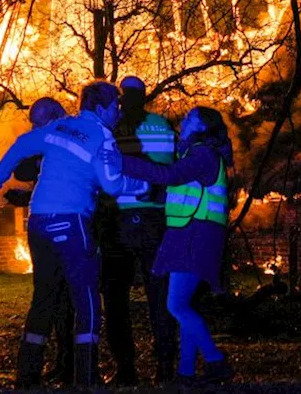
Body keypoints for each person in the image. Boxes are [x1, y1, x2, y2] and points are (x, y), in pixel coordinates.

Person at [0, 81, 150, 388]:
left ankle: (27, 376)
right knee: (86, 300)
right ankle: (85, 378)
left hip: (38, 221)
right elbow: (112, 185)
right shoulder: (103, 137)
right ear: (100, 108)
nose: (118, 111)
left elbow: (19, 146)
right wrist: (141, 187)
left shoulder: (60, 127)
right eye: (115, 106)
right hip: (71, 223)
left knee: (43, 299)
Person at [113, 106, 235, 385]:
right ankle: (186, 372)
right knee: (183, 304)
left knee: (177, 305)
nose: (184, 119)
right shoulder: (195, 154)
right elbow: (174, 184)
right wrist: (149, 190)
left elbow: (169, 175)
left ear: (203, 127)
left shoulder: (203, 154)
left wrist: (122, 162)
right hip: (190, 234)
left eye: (190, 117)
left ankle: (215, 362)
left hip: (196, 234)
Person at [0, 97, 76, 387]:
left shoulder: (71, 138)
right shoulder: (54, 138)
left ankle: (67, 366)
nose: (34, 128)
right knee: (50, 297)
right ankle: (40, 369)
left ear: (55, 115)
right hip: (55, 224)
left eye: (37, 122)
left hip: (67, 224)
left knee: (65, 299)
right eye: (31, 123)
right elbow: (23, 168)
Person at [99, 76, 178, 385]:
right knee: (159, 294)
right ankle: (164, 367)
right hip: (154, 219)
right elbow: (167, 169)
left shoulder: (111, 127)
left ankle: (125, 368)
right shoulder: (161, 124)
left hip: (118, 218)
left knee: (115, 296)